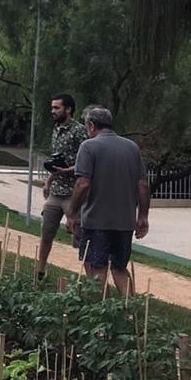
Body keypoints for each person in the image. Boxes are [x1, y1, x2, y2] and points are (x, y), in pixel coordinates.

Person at [65, 106, 149, 296]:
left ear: (91, 126)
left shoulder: (89, 146)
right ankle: (131, 313)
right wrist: (142, 216)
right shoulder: (131, 147)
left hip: (97, 221)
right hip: (125, 222)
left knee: (97, 267)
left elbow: (83, 184)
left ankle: (99, 316)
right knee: (120, 268)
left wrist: (72, 213)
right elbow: (142, 185)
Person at [38, 93, 87, 283]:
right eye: (52, 107)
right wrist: (49, 181)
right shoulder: (56, 130)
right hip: (56, 192)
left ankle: (88, 277)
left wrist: (69, 170)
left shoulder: (79, 131)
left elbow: (86, 161)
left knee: (80, 237)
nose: (53, 111)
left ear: (68, 109)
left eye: (56, 108)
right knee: (46, 232)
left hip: (73, 193)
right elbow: (56, 160)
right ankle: (40, 271)